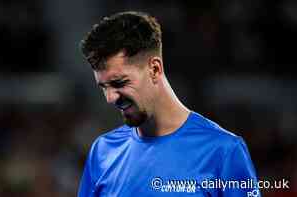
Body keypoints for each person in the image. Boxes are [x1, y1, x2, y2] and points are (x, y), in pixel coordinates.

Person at [77, 11, 261, 197]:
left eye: (119, 83)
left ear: (154, 69)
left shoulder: (223, 151)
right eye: (103, 87)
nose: (110, 98)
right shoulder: (102, 152)